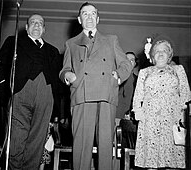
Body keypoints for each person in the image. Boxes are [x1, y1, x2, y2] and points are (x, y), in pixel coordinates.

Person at [59, 2, 132, 170]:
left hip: (106, 94)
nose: (89, 17)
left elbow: (125, 64)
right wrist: (69, 76)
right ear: (79, 19)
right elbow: (64, 70)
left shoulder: (111, 40)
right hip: (81, 94)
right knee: (81, 145)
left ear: (98, 19)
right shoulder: (71, 43)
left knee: (106, 145)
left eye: (93, 14)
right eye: (85, 14)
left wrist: (118, 76)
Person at [0, 13, 62, 170]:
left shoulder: (53, 51)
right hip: (20, 92)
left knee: (38, 138)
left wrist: (58, 111)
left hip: (45, 95)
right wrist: (3, 94)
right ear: (26, 27)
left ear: (44, 29)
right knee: (16, 138)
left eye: (40, 23)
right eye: (33, 22)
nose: (37, 25)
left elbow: (57, 81)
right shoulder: (14, 43)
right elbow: (2, 70)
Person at [132, 36, 191, 170]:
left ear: (169, 55)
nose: (160, 53)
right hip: (150, 120)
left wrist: (183, 116)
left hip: (173, 118)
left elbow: (186, 94)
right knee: (151, 161)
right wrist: (138, 112)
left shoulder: (178, 70)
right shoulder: (144, 72)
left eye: (164, 50)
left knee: (172, 161)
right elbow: (138, 96)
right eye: (157, 51)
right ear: (152, 56)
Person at [116, 51, 139, 119]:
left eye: (131, 60)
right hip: (115, 115)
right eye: (126, 60)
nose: (128, 63)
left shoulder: (138, 80)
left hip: (129, 118)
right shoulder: (115, 77)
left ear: (135, 63)